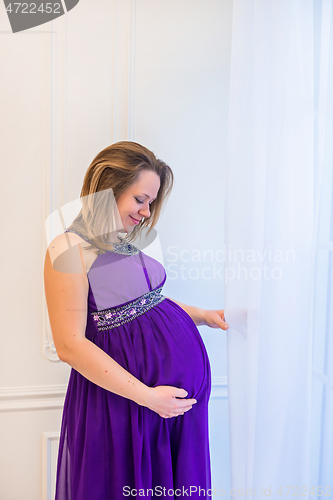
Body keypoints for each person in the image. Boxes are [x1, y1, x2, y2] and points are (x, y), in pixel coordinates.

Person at [44, 141, 229, 500]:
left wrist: (201, 316)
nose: (146, 212)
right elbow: (69, 345)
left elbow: (147, 304)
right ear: (106, 191)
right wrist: (147, 397)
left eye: (151, 202)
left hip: (164, 409)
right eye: (140, 199)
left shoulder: (119, 243)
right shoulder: (67, 249)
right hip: (128, 405)